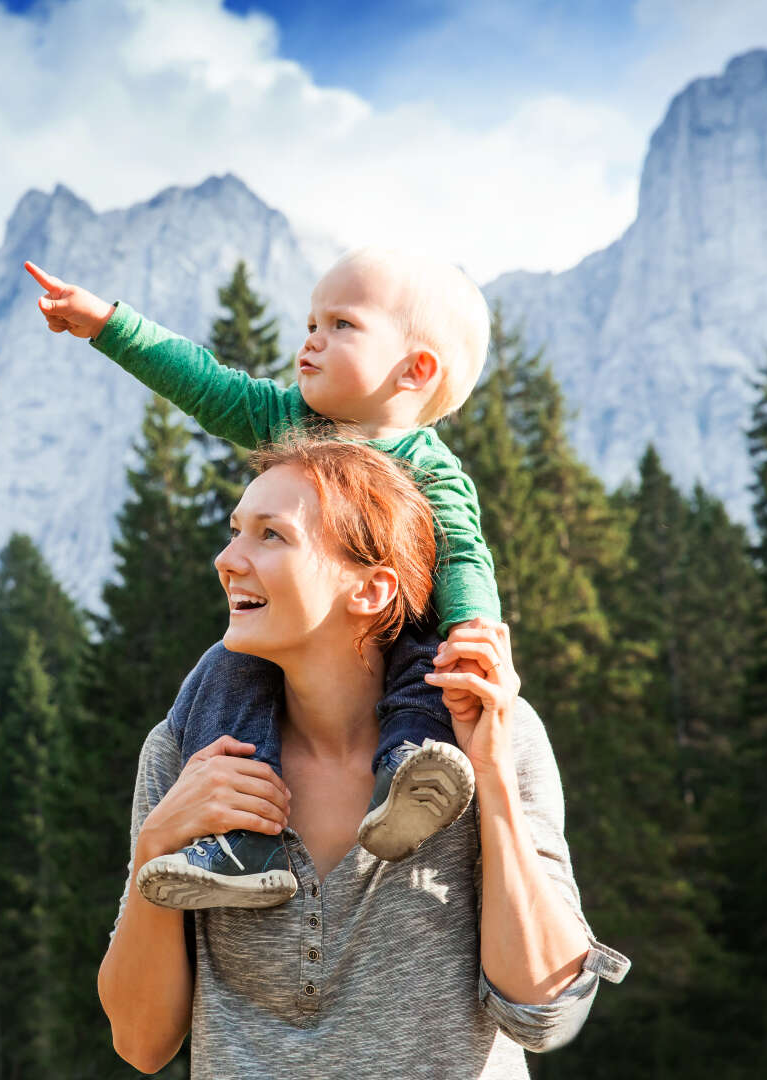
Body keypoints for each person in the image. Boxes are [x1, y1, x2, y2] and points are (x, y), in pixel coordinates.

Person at [97, 437, 629, 1076]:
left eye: (271, 536)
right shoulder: (188, 753)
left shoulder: (490, 735)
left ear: (372, 590)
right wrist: (156, 847)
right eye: (235, 531)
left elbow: (543, 1013)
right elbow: (141, 1041)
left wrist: (490, 779)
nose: (227, 559)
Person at [25, 248, 498, 905]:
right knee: (227, 672)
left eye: (341, 325)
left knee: (428, 665)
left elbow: (465, 559)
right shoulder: (289, 420)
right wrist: (107, 323)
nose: (311, 340)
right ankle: (244, 842)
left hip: (392, 630)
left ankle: (407, 779)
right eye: (310, 323)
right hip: (290, 636)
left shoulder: (430, 469)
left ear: (416, 370)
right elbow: (202, 383)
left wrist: (475, 631)